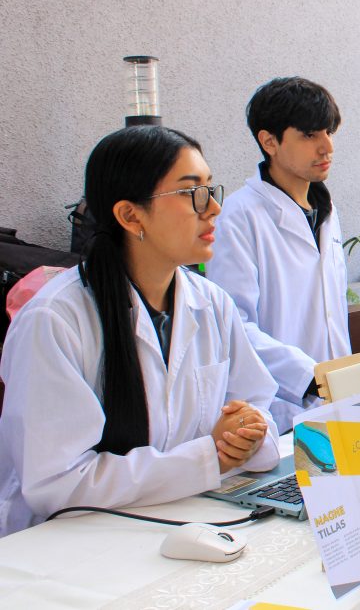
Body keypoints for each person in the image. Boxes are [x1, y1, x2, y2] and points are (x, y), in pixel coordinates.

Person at [0, 126, 279, 538]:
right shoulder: (56, 319)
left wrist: (250, 431)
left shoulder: (212, 303)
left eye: (210, 188)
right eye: (191, 193)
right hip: (70, 546)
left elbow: (257, 404)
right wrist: (210, 458)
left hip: (181, 523)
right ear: (130, 215)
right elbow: (56, 485)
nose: (213, 209)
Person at [205, 77, 350, 432]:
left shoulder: (326, 212)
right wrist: (308, 376)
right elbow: (233, 324)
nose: (326, 147)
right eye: (309, 135)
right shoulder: (239, 216)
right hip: (281, 410)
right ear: (268, 141)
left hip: (341, 403)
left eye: (328, 132)